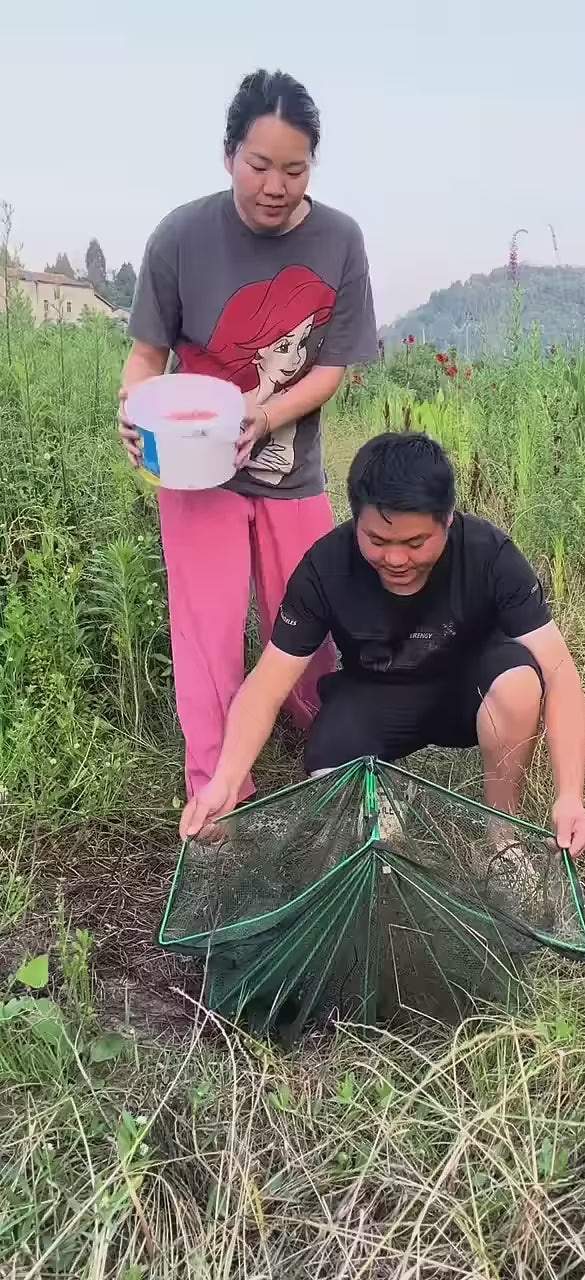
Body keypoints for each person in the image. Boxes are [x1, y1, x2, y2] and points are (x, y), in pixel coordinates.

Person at [118, 69, 377, 804]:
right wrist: (132, 411)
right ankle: (216, 789)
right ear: (228, 154)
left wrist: (263, 416)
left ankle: (322, 743)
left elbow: (332, 368)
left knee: (316, 623)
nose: (275, 185)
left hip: (292, 472)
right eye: (259, 165)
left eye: (294, 170)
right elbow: (145, 358)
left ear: (312, 168)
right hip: (196, 477)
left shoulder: (340, 240)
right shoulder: (181, 236)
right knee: (208, 637)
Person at [180, 434, 585, 858]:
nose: (396, 560)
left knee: (521, 684)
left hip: (467, 687)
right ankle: (386, 811)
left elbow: (561, 674)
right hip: (375, 694)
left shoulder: (490, 554)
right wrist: (226, 781)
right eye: (377, 542)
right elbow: (266, 686)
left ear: (447, 520)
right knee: (333, 783)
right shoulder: (325, 567)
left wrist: (570, 797)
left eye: (415, 544)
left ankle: (500, 841)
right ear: (356, 519)